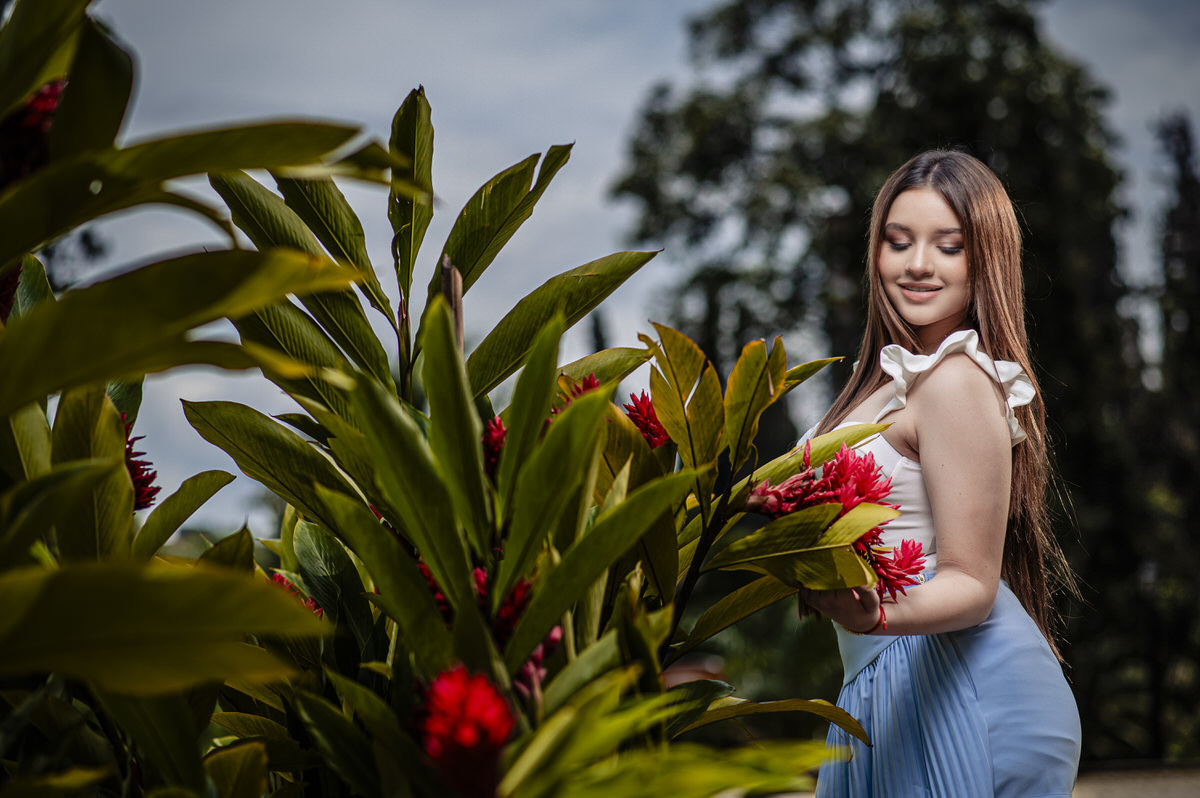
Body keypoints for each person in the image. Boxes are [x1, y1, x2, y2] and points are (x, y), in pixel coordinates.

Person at [800, 150, 1082, 797]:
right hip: (885, 678)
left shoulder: (955, 380)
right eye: (898, 242)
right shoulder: (884, 381)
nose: (918, 264)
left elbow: (971, 583)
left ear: (985, 260)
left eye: (948, 246)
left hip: (960, 683)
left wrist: (872, 615)